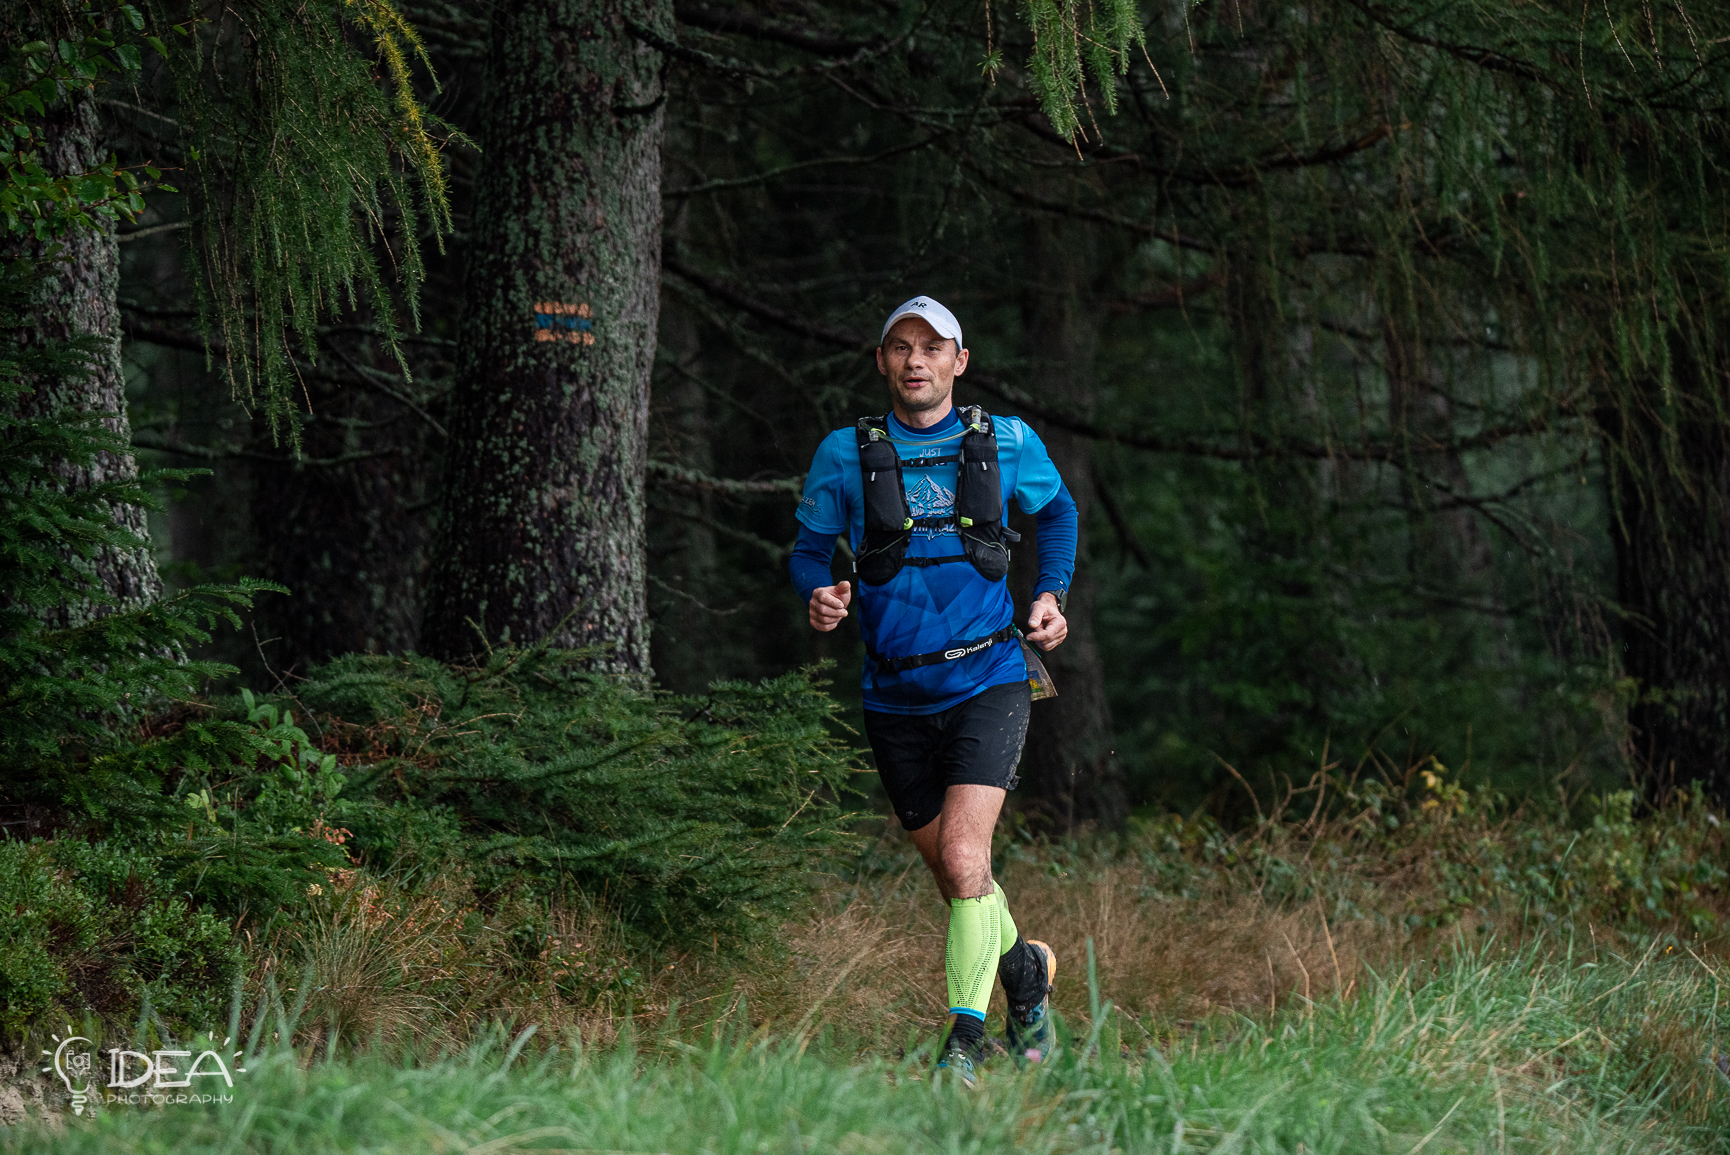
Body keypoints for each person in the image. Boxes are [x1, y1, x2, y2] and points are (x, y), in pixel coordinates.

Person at [788, 295, 1079, 1086]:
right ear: (883, 361)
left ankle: (964, 1046)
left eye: (931, 347)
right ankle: (1027, 975)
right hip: (894, 695)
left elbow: (1058, 512)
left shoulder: (1006, 440)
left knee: (962, 853)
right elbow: (809, 551)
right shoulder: (843, 454)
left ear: (959, 360)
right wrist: (820, 591)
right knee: (960, 879)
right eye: (900, 347)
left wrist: (1050, 592)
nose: (915, 360)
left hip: (990, 675)